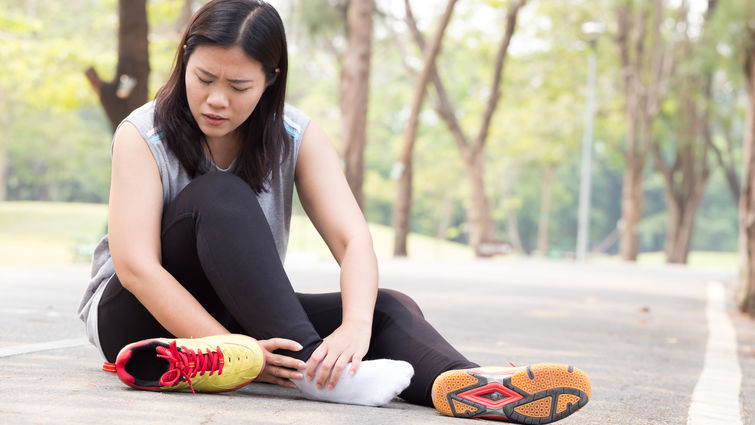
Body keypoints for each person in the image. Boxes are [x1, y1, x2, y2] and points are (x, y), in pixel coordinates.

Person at [77, 0, 591, 422]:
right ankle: (314, 374)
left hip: (240, 318)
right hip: (136, 317)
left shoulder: (295, 135)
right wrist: (234, 347)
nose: (216, 101)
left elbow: (354, 242)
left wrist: (354, 330)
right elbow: (136, 267)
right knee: (219, 194)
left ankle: (470, 385)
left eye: (239, 88)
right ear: (184, 58)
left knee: (386, 304)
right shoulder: (143, 134)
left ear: (271, 81)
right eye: (204, 77)